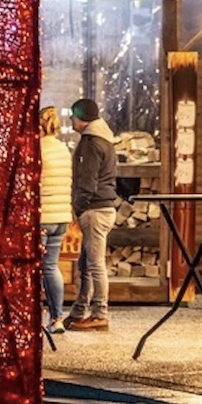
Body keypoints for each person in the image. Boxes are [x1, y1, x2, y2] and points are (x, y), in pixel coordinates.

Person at [64, 98, 117, 331]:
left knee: (94, 264)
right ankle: (79, 310)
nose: (71, 121)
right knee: (85, 263)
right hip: (102, 207)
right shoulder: (105, 138)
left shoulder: (90, 143)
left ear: (80, 118)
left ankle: (99, 314)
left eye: (72, 117)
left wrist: (79, 207)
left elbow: (87, 181)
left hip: (94, 209)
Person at [39, 106, 73, 334]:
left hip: (42, 216)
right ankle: (57, 318)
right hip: (61, 215)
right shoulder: (63, 148)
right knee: (51, 266)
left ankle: (35, 312)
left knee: (37, 268)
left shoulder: (36, 149)